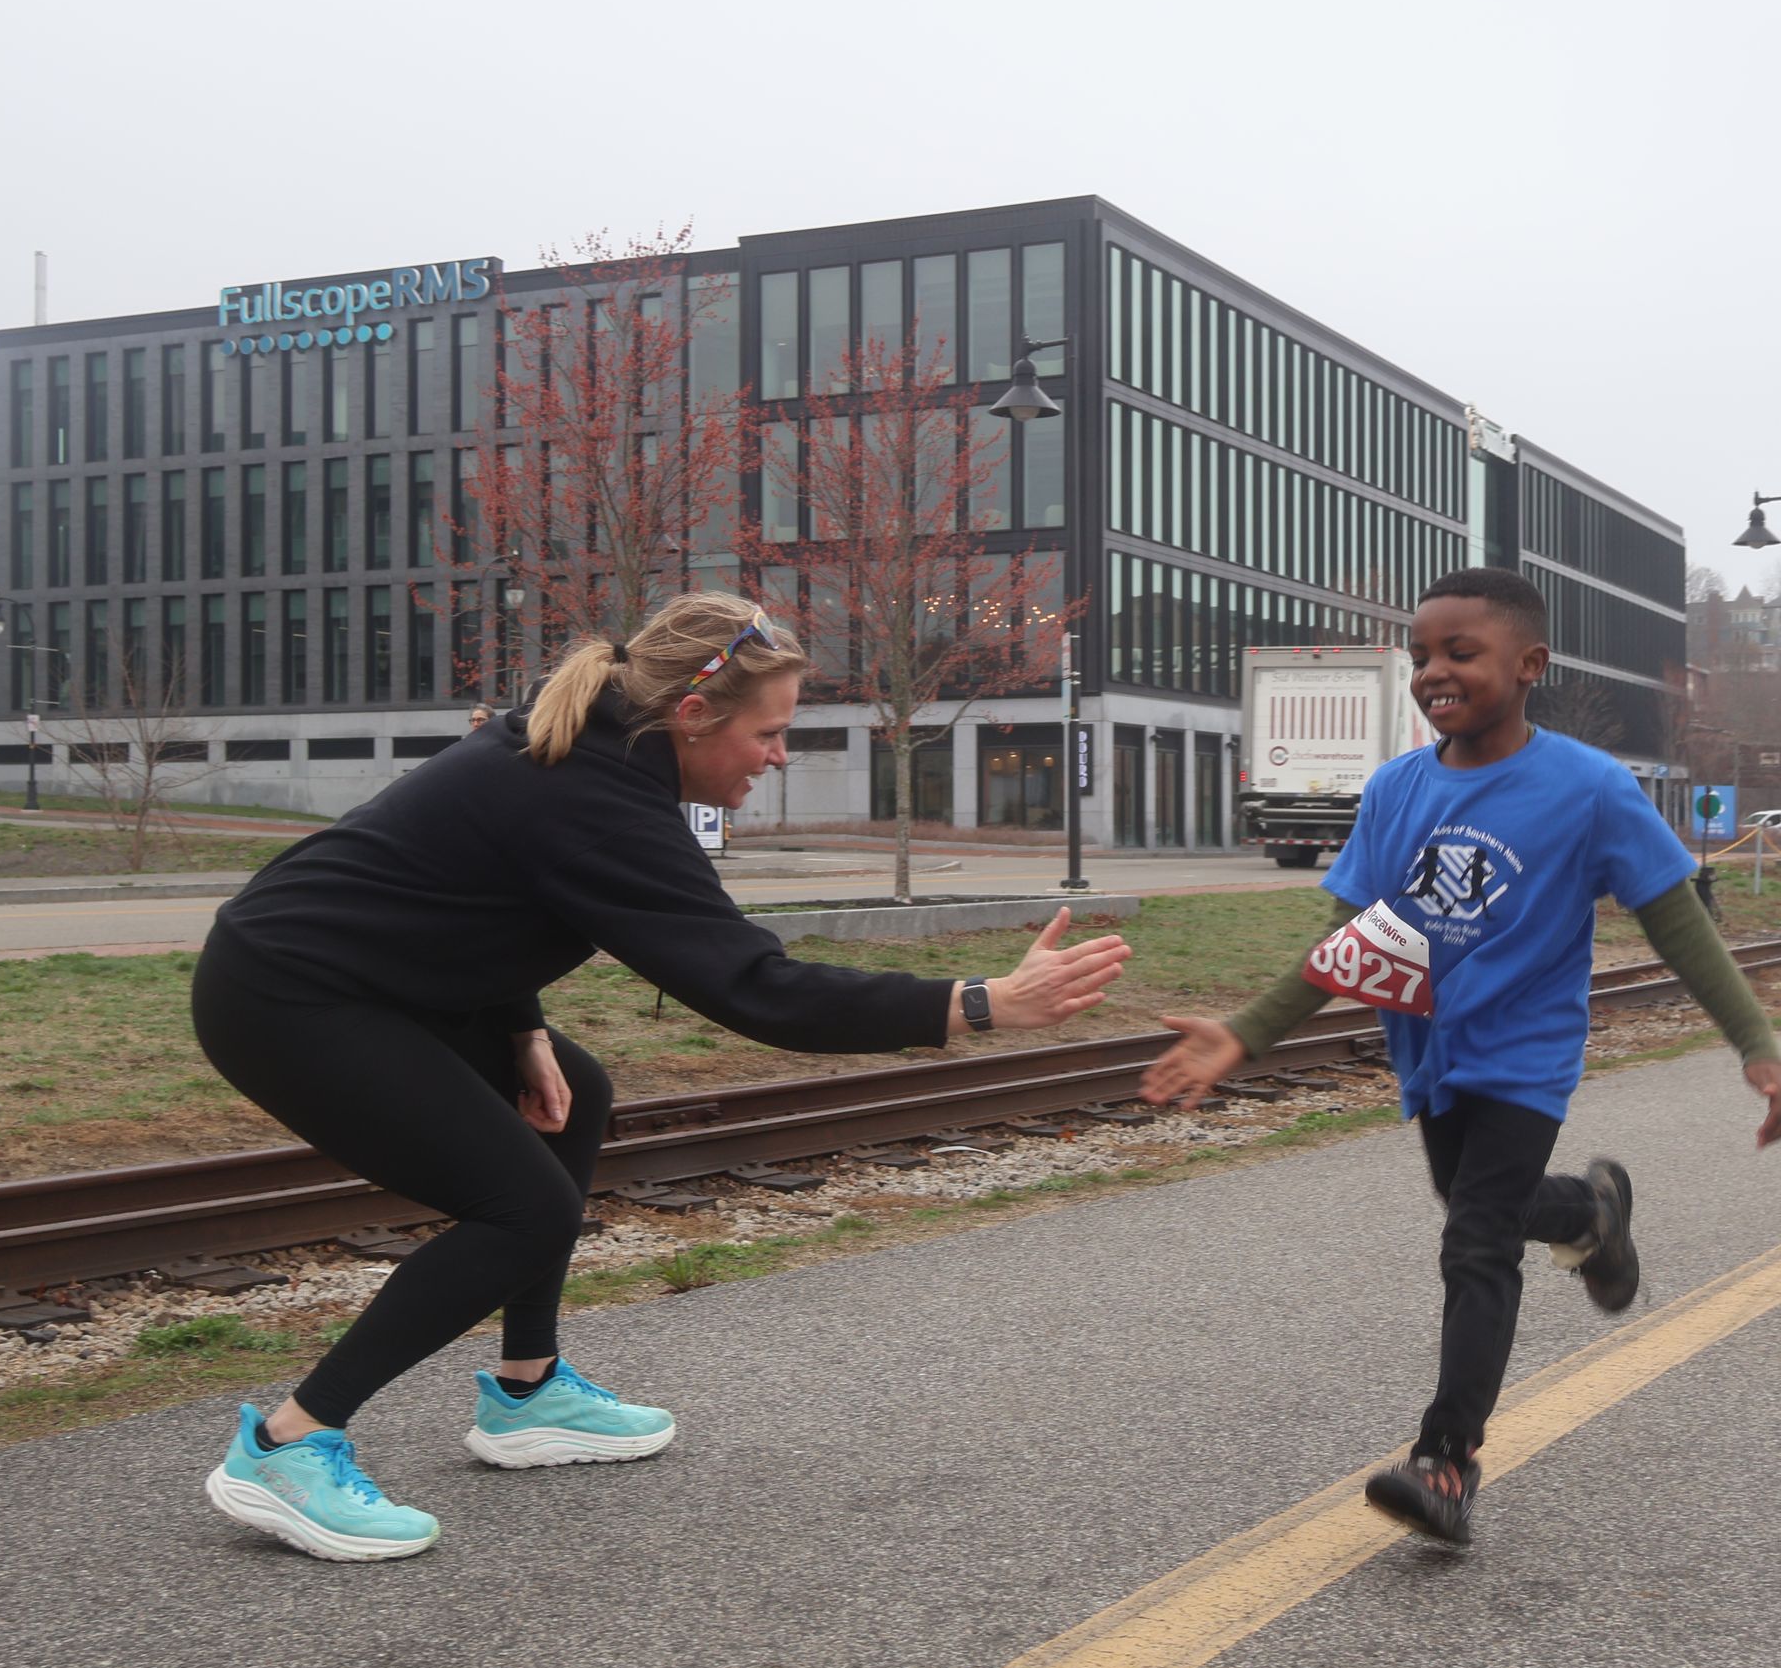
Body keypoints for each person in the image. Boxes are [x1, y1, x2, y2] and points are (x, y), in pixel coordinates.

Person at [192, 592, 1130, 1561]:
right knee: (522, 1211)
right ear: (691, 715)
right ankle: (287, 1446)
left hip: (371, 979)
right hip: (288, 997)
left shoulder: (585, 752)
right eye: (768, 733)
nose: (778, 756)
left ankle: (527, 1390)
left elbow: (465, 888)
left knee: (575, 1098)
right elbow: (756, 990)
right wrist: (979, 1003)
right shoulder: (594, 798)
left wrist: (521, 1028)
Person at [1146, 567, 1781, 1546]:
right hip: (1430, 1052)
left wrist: (1757, 1043)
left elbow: (1678, 925)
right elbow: (1348, 938)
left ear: (1530, 665)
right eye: (1421, 656)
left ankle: (1446, 1460)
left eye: (1460, 652)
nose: (1433, 672)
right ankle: (1592, 1214)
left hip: (1527, 1054)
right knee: (1472, 1203)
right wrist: (1246, 1032)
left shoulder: (1591, 789)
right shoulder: (1396, 788)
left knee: (1476, 1241)